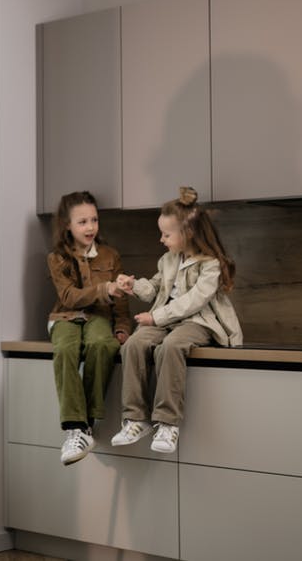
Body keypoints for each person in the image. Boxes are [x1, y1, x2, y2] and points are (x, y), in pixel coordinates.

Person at [110, 186, 242, 454]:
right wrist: (133, 285)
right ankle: (135, 418)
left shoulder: (211, 264)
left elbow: (194, 301)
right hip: (165, 321)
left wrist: (156, 317)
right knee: (133, 344)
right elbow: (155, 290)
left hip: (198, 322)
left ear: (188, 233)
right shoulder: (167, 260)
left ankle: (168, 422)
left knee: (171, 347)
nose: (161, 239)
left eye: (166, 234)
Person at [46, 191, 132, 466]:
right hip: (65, 317)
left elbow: (121, 299)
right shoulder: (57, 258)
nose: (90, 227)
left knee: (101, 344)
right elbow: (69, 297)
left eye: (94, 220)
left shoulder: (110, 255)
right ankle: (75, 428)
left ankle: (87, 425)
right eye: (82, 222)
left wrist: (121, 326)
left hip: (99, 317)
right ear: (67, 225)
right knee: (65, 349)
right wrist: (104, 289)